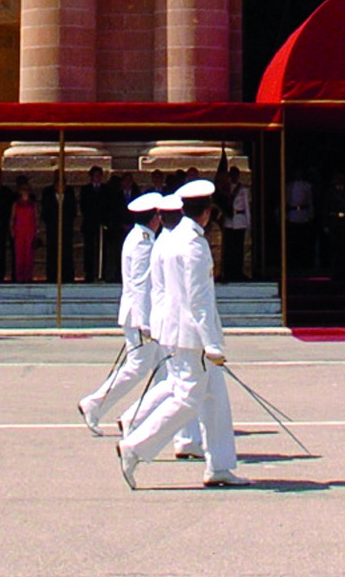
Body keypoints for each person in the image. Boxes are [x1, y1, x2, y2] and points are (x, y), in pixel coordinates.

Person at [118, 179, 242, 488]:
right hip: (192, 337)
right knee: (187, 399)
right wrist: (212, 343)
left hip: (174, 331)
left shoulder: (169, 239)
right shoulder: (194, 245)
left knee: (215, 400)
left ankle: (219, 465)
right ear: (207, 213)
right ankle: (135, 447)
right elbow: (199, 299)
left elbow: (159, 291)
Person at [78, 192, 166, 433]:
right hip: (140, 317)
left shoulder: (142, 237)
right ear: (154, 217)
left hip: (145, 316)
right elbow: (140, 284)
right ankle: (96, 405)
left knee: (164, 371)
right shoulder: (142, 242)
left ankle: (141, 418)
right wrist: (144, 322)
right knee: (138, 368)